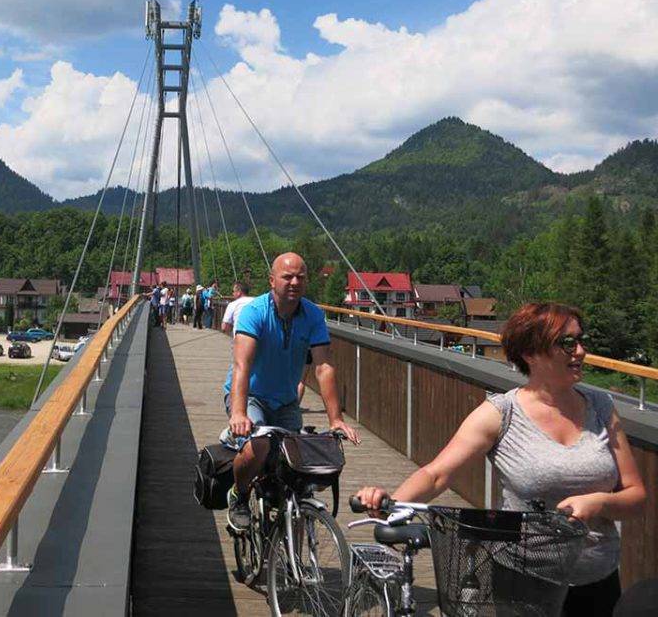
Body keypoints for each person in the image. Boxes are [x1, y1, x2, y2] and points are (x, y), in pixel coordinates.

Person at [354, 303, 646, 617]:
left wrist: (599, 503)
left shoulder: (601, 406)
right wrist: (392, 504)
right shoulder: (502, 413)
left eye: (580, 340)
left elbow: (637, 496)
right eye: (567, 343)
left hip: (597, 581)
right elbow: (437, 474)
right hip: (524, 584)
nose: (581, 351)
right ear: (532, 354)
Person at [225, 252, 359, 531]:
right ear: (272, 281)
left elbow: (322, 366)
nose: (294, 281)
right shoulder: (254, 312)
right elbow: (242, 365)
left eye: (300, 276)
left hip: (286, 402)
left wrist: (335, 420)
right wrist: (238, 413)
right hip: (252, 396)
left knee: (296, 470)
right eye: (287, 276)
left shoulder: (312, 314)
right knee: (257, 447)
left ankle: (287, 547)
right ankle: (239, 495)